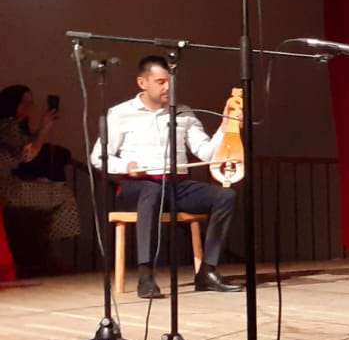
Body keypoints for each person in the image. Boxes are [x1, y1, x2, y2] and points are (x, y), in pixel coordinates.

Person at [89, 56, 242, 298]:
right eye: (160, 82)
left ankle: (207, 271)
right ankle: (146, 276)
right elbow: (98, 157)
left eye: (170, 81)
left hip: (175, 185)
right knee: (151, 191)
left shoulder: (183, 112)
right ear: (142, 83)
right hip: (137, 187)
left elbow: (206, 153)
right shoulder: (120, 113)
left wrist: (225, 127)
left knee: (225, 196)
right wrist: (126, 165)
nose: (167, 87)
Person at [0, 85, 80, 271]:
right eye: (26, 103)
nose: (31, 107)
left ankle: (48, 251)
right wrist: (44, 127)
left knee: (57, 192)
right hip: (6, 188)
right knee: (63, 194)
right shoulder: (7, 125)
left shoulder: (15, 127)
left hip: (12, 183)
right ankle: (51, 252)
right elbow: (27, 154)